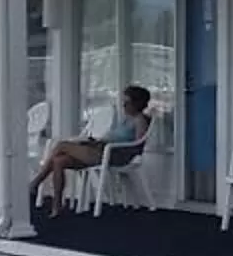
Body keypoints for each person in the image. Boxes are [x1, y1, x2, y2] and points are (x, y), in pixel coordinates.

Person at [31, 84, 155, 213]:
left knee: (62, 145)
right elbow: (113, 137)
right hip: (100, 150)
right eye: (123, 101)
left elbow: (138, 145)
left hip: (114, 155)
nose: (123, 104)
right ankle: (56, 206)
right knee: (59, 161)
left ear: (137, 103)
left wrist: (111, 147)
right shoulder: (125, 119)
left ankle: (36, 182)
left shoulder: (140, 120)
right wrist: (96, 142)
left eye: (127, 102)